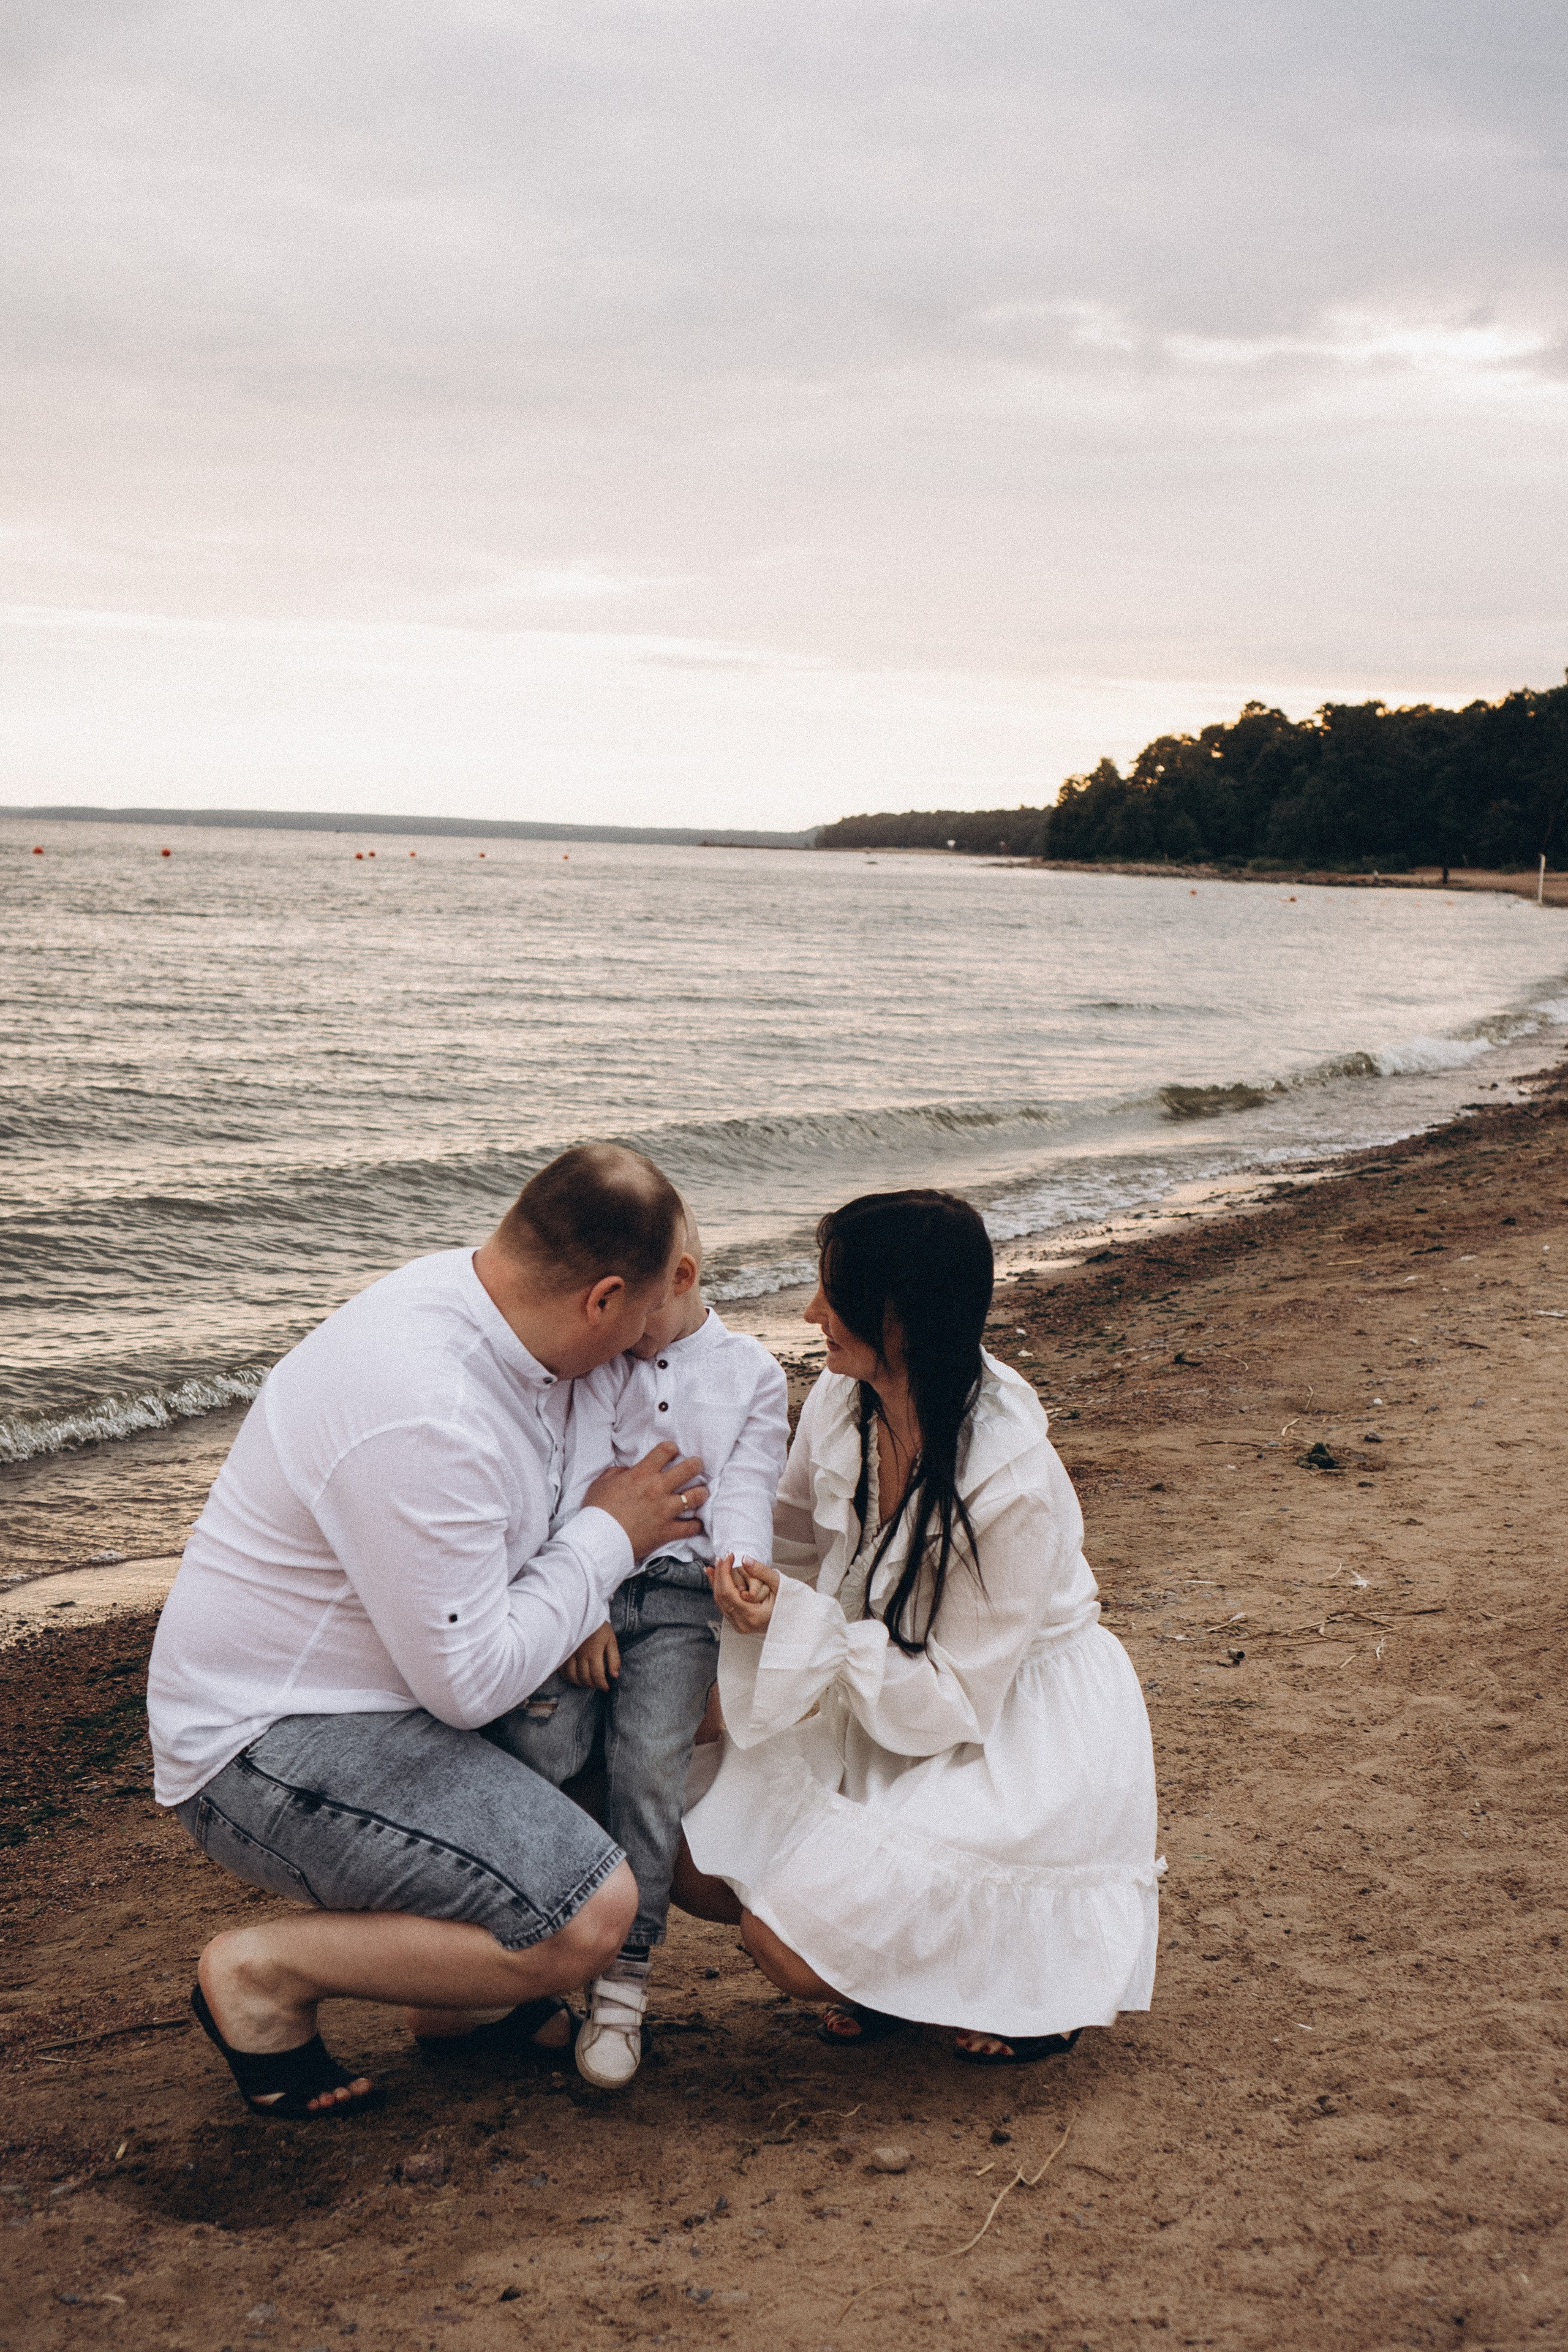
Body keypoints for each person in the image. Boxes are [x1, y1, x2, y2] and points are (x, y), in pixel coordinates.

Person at [146, 1144, 709, 2120]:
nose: (662, 1332)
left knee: (657, 1746)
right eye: (657, 1305)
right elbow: (474, 1680)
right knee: (588, 1913)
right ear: (603, 1300)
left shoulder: (503, 1318)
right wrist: (611, 1535)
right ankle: (261, 1975)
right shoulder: (428, 1408)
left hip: (393, 1694)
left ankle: (455, 2010)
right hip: (271, 1740)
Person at [678, 1188, 1160, 2064]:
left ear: (897, 1318)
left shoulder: (1010, 1479)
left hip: (1005, 1724)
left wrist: (805, 1630)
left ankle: (1019, 1983)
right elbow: (787, 1541)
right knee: (687, 1856)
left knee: (783, 1946)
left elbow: (952, 1699)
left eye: (832, 1293)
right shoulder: (841, 1398)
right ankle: (894, 1973)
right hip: (877, 1679)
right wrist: (738, 1598)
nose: (810, 1311)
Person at [491, 1204, 788, 2087]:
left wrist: (742, 1565)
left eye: (634, 1310)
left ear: (682, 1282)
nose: (616, 1329)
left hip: (678, 1601)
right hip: (587, 1581)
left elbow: (747, 1481)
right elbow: (571, 1474)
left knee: (652, 1766)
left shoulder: (750, 1374)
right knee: (543, 1744)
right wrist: (576, 1601)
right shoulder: (600, 1367)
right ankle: (527, 1952)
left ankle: (623, 1987)